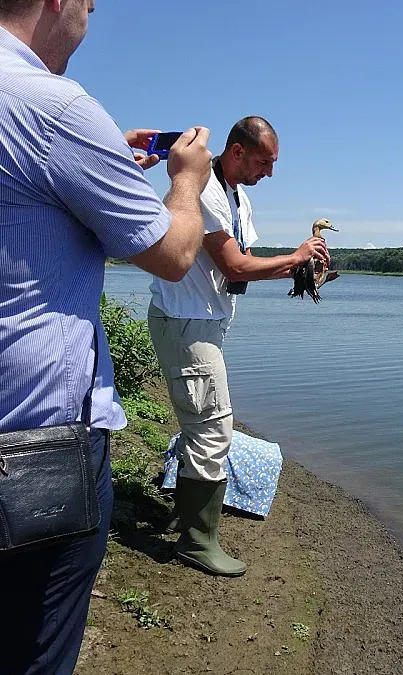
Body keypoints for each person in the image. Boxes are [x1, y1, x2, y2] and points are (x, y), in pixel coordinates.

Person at [0, 1, 213, 673]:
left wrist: (100, 165)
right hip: (32, 442)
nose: (91, 17)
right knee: (33, 645)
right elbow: (176, 252)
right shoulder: (55, 107)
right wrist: (187, 182)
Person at [147, 116, 329, 577]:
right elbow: (234, 264)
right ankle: (197, 541)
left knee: (205, 422)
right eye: (264, 162)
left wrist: (299, 268)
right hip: (186, 322)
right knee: (212, 426)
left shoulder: (238, 197)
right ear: (237, 151)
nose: (269, 173)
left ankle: (188, 515)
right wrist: (296, 256)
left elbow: (242, 266)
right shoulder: (204, 190)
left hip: (205, 323)